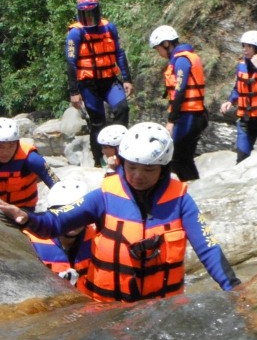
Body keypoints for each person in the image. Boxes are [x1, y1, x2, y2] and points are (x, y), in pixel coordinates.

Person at [0, 122, 241, 303]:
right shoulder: (104, 196)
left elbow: (208, 249)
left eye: (148, 169)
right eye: (131, 167)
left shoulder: (181, 201)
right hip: (105, 308)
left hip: (161, 309)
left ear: (163, 168)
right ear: (122, 162)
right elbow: (55, 223)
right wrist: (25, 217)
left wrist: (234, 289)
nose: (138, 176)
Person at [65, 0, 133, 168]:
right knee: (98, 122)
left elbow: (119, 53)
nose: (88, 18)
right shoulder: (75, 33)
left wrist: (127, 79)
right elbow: (71, 63)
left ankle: (121, 150)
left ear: (97, 11)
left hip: (109, 80)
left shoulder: (109, 28)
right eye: (84, 14)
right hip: (89, 85)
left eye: (91, 13)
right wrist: (74, 92)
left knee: (122, 108)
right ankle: (99, 160)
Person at [149, 25, 208, 181]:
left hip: (190, 116)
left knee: (177, 157)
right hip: (190, 114)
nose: (159, 53)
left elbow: (180, 91)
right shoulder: (181, 58)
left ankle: (191, 187)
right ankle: (193, 185)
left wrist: (171, 120)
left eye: (158, 49)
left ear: (166, 44)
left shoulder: (182, 60)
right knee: (183, 158)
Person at [218, 31, 257, 162]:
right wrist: (230, 101)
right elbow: (237, 88)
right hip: (246, 120)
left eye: (249, 46)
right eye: (243, 45)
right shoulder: (241, 66)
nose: (245, 49)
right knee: (241, 159)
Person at [21, 178, 94, 284]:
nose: (73, 220)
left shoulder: (98, 239)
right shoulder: (29, 242)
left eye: (79, 215)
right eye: (64, 214)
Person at [0, 117, 58, 217]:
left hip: (25, 213)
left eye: (11, 145)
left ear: (17, 143)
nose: (6, 152)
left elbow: (58, 186)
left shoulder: (32, 159)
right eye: (0, 146)